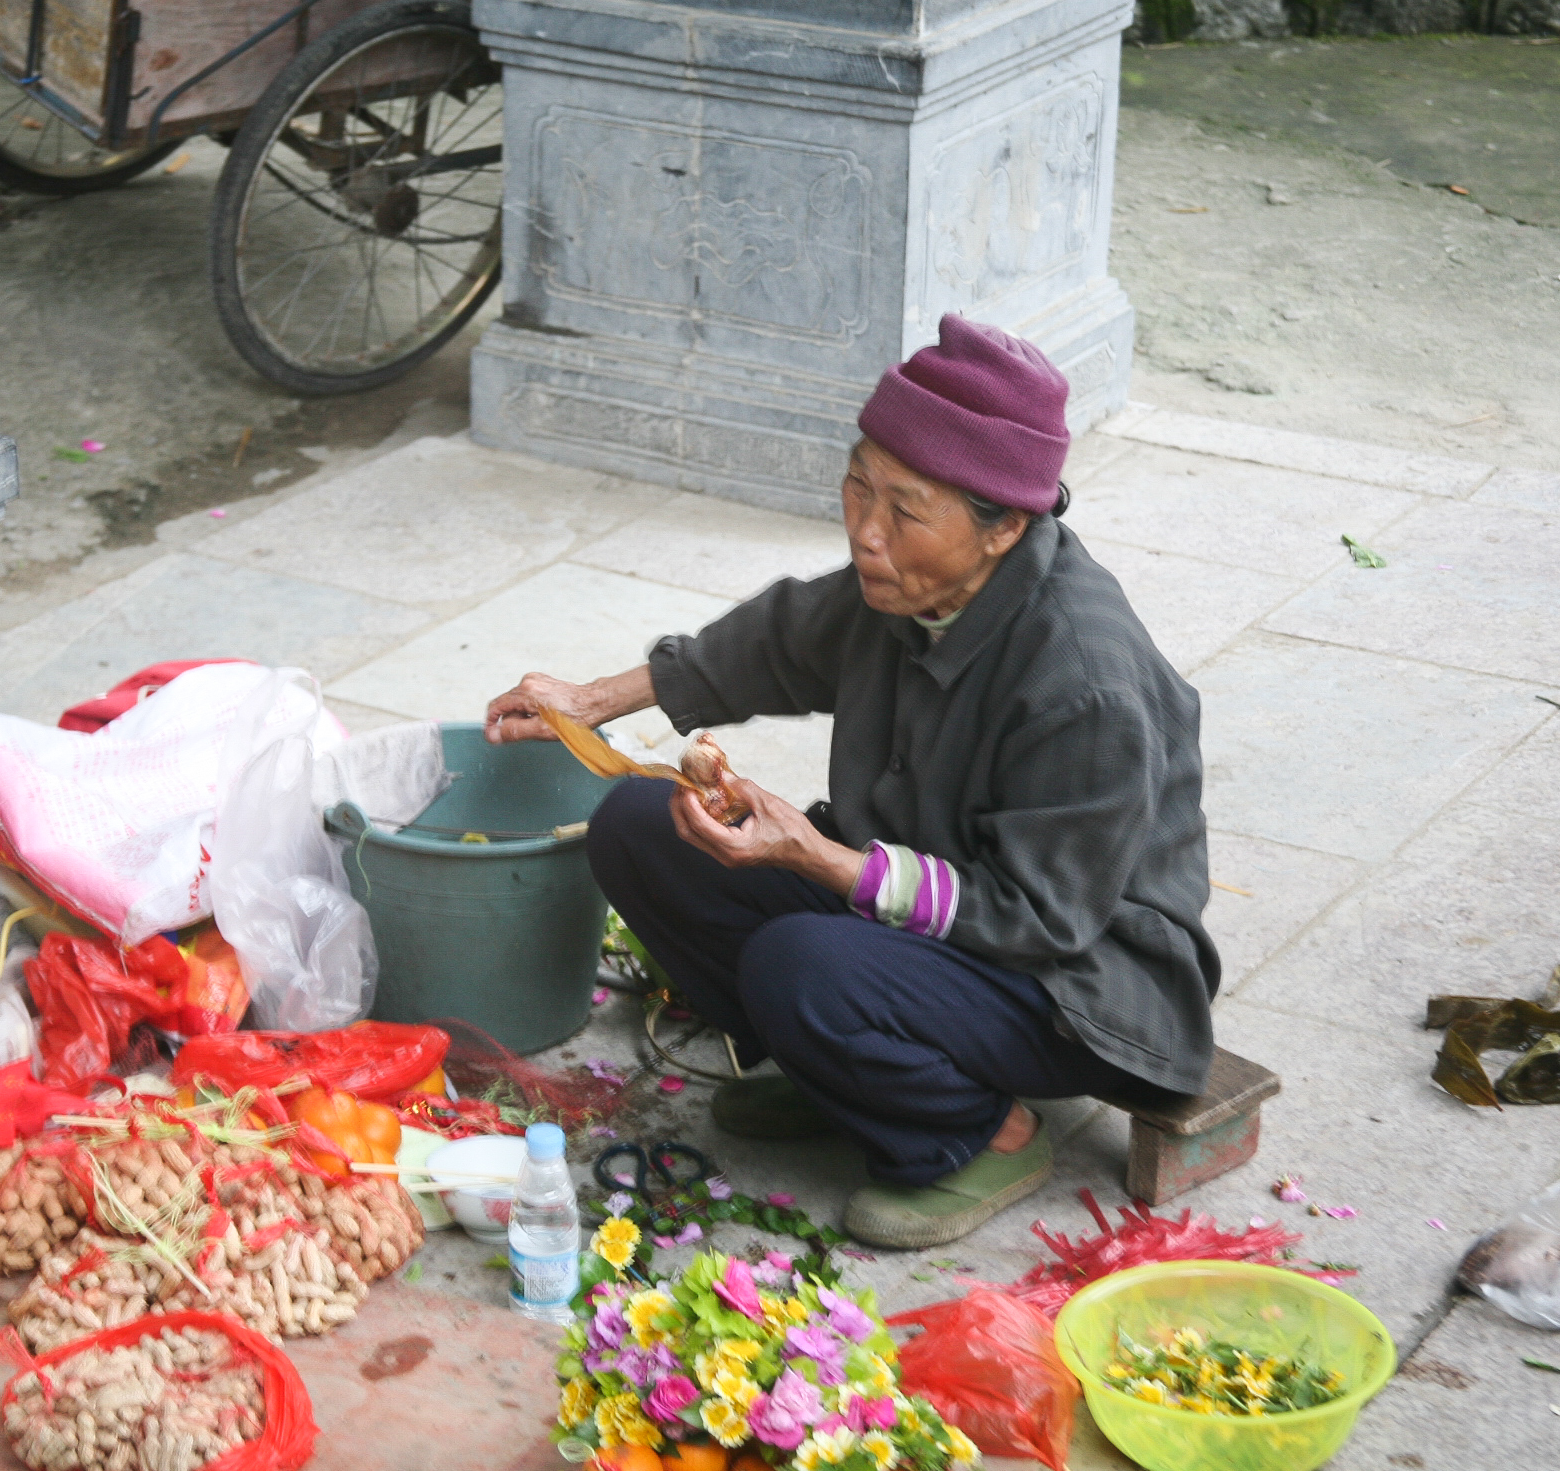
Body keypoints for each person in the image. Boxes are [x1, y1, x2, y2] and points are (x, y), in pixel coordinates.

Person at [484, 315, 1219, 1249]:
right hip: (937, 917)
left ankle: (981, 1131)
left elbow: (1037, 917)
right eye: (856, 486)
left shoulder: (1084, 683)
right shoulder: (909, 584)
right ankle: (835, 1068)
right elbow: (778, 642)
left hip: (1074, 981)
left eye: (905, 511)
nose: (866, 534)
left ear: (1004, 528)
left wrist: (821, 859)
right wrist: (591, 699)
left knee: (803, 963)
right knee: (638, 822)